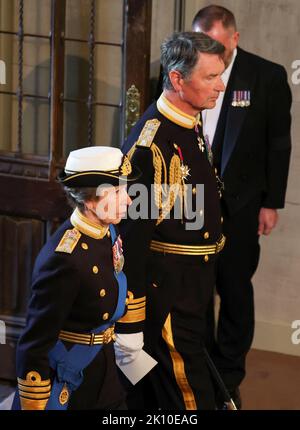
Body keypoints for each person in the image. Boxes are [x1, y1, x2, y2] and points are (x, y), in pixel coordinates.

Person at [192, 5, 292, 408]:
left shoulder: (266, 76)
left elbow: (278, 144)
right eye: (202, 42)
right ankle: (201, 373)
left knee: (234, 291)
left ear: (234, 37)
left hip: (243, 205)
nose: (209, 49)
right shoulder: (185, 71)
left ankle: (228, 377)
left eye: (216, 42)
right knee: (196, 294)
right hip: (194, 206)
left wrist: (272, 203)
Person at [120, 31, 226, 410]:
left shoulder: (188, 123)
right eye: (210, 77)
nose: (221, 86)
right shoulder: (151, 146)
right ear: (178, 79)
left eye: (221, 74)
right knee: (189, 400)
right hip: (167, 297)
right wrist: (130, 327)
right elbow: (129, 241)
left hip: (194, 288)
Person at [12, 146, 141, 410]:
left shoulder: (108, 230)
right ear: (90, 201)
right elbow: (35, 342)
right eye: (117, 192)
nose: (128, 200)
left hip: (105, 366)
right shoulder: (64, 259)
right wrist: (34, 402)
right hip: (72, 378)